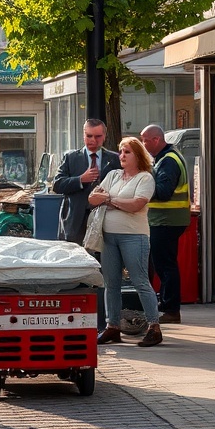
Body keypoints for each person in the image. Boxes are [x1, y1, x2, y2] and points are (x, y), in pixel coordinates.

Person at [89, 136, 163, 348]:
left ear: (138, 155)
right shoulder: (113, 175)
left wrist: (110, 200)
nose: (121, 155)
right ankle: (112, 326)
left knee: (140, 281)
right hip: (108, 236)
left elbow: (136, 205)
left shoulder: (145, 178)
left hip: (134, 236)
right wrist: (110, 201)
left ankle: (154, 327)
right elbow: (93, 199)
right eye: (121, 151)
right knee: (110, 283)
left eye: (127, 152)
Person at [140, 124, 190, 325]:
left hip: (167, 220)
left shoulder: (168, 161)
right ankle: (166, 304)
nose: (143, 144)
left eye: (145, 140)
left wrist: (142, 185)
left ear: (156, 140)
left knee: (165, 265)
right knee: (162, 264)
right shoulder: (165, 158)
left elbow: (163, 191)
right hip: (167, 220)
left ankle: (171, 309)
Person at [52, 118, 120, 243]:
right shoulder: (70, 157)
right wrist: (80, 180)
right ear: (83, 135)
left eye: (98, 136)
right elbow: (57, 185)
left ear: (104, 136)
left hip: (105, 218)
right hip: (76, 220)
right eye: (89, 136)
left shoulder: (115, 159)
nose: (93, 140)